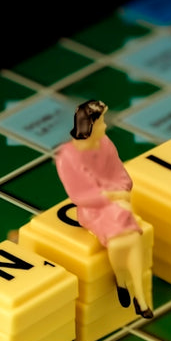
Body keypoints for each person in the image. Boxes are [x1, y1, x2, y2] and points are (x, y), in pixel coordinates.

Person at [55, 100, 153, 318]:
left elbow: (120, 174)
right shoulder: (67, 157)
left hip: (118, 201)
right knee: (121, 241)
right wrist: (109, 196)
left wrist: (120, 192)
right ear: (89, 125)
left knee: (134, 238)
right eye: (101, 123)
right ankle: (120, 280)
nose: (105, 127)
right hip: (94, 209)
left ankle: (140, 296)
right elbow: (78, 195)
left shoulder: (106, 143)